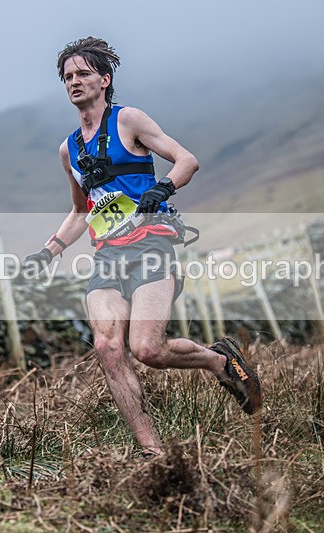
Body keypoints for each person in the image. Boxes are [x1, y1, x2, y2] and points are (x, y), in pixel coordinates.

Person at [24, 37, 261, 456]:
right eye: (67, 77)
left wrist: (162, 188)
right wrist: (50, 250)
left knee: (148, 349)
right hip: (108, 256)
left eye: (82, 74)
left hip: (151, 246)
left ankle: (217, 360)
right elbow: (81, 210)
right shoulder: (69, 150)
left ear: (104, 79)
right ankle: (153, 452)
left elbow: (186, 159)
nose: (74, 82)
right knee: (107, 345)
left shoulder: (128, 119)